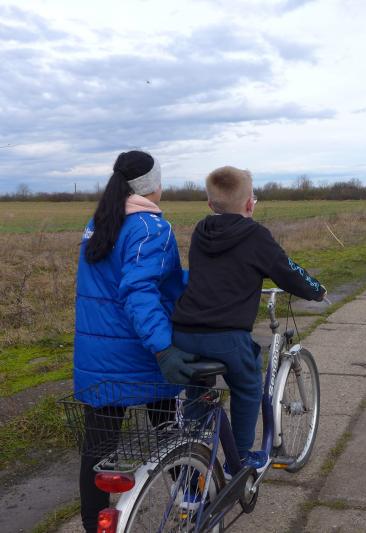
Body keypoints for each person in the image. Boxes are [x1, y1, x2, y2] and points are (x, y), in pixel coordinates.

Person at [171, 166, 326, 473]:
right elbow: (287, 270)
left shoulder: (201, 231)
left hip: (184, 332)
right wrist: (316, 290)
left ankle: (190, 454)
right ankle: (239, 461)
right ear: (249, 204)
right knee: (248, 386)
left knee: (197, 391)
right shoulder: (255, 235)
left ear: (210, 203)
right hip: (226, 337)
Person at [73, 150, 198, 532]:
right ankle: (193, 503)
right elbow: (139, 292)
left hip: (97, 357)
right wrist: (163, 347)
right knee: (171, 433)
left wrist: (184, 280)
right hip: (139, 352)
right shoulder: (149, 227)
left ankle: (94, 525)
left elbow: (114, 284)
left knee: (97, 450)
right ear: (151, 185)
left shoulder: (100, 222)